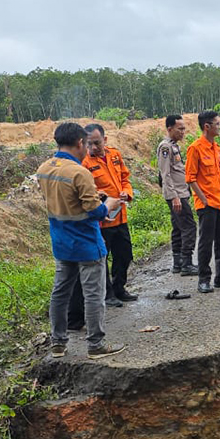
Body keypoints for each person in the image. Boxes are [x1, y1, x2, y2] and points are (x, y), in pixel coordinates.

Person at [36, 122, 124, 359]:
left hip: (61, 242)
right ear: (79, 143)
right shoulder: (79, 172)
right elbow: (96, 212)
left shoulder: (44, 168)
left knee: (60, 292)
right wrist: (109, 204)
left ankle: (58, 343)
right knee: (94, 294)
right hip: (86, 243)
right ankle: (96, 344)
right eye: (86, 143)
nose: (89, 148)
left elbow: (63, 201)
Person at [83, 124, 136, 307]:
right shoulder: (85, 163)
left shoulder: (115, 155)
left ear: (105, 140)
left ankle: (119, 287)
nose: (93, 148)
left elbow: (125, 178)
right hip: (102, 220)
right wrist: (103, 195)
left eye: (96, 143)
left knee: (125, 254)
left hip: (120, 216)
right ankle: (108, 294)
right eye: (89, 144)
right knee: (102, 259)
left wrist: (126, 193)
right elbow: (86, 190)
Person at [187, 110, 220, 293]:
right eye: (217, 124)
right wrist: (204, 200)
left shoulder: (215, 147)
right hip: (207, 205)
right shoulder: (196, 148)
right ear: (207, 126)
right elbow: (191, 178)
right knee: (206, 243)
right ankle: (204, 279)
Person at [158, 114, 199, 276]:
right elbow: (165, 174)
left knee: (178, 227)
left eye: (184, 128)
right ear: (170, 129)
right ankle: (187, 263)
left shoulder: (173, 145)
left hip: (181, 192)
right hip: (176, 195)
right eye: (179, 129)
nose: (183, 132)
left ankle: (178, 262)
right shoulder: (166, 147)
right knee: (189, 226)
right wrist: (174, 196)